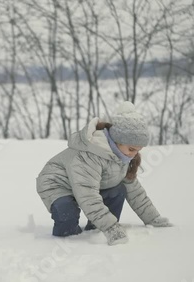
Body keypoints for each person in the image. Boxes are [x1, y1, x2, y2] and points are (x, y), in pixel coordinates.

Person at [36, 101, 172, 246]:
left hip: (86, 184)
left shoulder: (122, 156)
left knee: (119, 189)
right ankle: (70, 243)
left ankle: (96, 230)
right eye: (132, 149)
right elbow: (88, 196)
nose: (134, 155)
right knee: (67, 218)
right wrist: (111, 228)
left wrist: (153, 219)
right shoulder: (90, 155)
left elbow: (135, 192)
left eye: (138, 150)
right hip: (57, 184)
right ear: (117, 141)